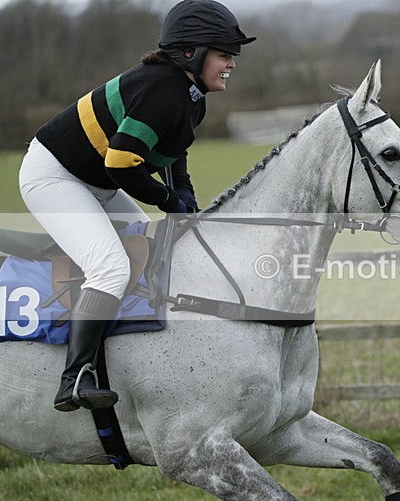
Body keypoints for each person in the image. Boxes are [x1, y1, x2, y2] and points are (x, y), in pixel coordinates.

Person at [17, 0, 255, 412]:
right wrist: (166, 199)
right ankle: (74, 379)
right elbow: (123, 163)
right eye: (223, 54)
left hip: (97, 181)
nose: (231, 63)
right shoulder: (163, 92)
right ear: (190, 54)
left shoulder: (190, 95)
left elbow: (172, 153)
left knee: (145, 246)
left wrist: (186, 202)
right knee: (110, 266)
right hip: (55, 177)